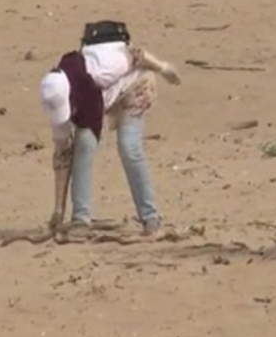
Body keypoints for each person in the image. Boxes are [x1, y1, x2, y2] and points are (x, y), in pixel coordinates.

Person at [38, 20, 182, 236]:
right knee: (84, 144)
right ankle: (80, 218)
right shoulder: (54, 95)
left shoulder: (104, 68)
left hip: (135, 85)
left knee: (128, 147)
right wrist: (58, 209)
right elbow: (62, 155)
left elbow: (136, 54)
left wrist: (163, 68)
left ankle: (150, 217)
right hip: (97, 100)